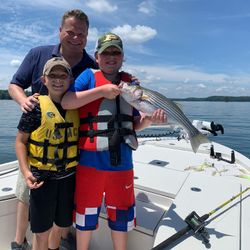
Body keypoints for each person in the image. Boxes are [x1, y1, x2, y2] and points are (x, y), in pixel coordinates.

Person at [61, 32, 166, 250]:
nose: (111, 56)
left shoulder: (132, 83)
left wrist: (150, 121)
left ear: (122, 57)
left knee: (122, 214)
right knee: (85, 214)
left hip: (123, 162)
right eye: (105, 52)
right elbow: (68, 102)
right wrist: (101, 91)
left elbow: (134, 124)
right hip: (90, 162)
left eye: (116, 52)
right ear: (97, 56)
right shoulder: (87, 77)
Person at [8, 9, 97, 250]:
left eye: (82, 33)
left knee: (64, 204)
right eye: (70, 31)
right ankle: (19, 241)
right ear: (60, 31)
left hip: (70, 147)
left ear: (87, 36)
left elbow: (110, 83)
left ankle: (61, 240)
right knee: (27, 193)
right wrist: (23, 101)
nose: (76, 37)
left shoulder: (92, 66)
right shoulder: (38, 54)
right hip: (38, 139)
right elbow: (15, 84)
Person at [15, 57, 79, 250]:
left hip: (68, 178)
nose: (58, 80)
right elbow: (20, 142)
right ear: (44, 80)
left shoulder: (78, 106)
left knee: (60, 227)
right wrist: (26, 172)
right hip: (42, 179)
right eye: (53, 75)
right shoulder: (34, 107)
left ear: (70, 80)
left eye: (63, 75)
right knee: (41, 232)